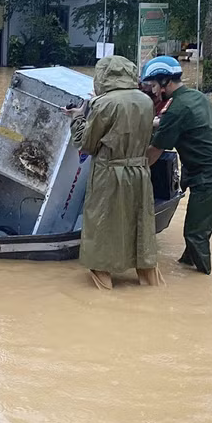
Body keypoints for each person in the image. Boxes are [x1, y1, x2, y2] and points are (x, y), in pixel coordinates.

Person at [66, 55, 161, 290]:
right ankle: (150, 285)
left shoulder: (103, 104)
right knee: (140, 225)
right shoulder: (146, 101)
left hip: (109, 173)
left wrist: (77, 117)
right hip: (140, 173)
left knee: (101, 227)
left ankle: (105, 291)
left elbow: (87, 144)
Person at [143, 55, 212, 275]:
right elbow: (171, 122)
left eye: (155, 85)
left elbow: (154, 153)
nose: (154, 92)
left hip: (209, 177)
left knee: (195, 235)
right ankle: (187, 267)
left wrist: (128, 168)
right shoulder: (197, 97)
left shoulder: (177, 109)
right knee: (197, 231)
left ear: (166, 82)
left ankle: (203, 285)